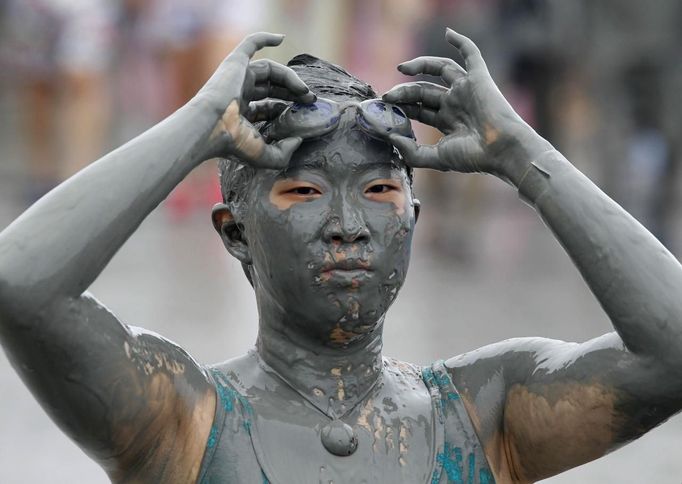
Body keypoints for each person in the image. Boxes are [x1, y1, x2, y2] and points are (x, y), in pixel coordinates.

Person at [1, 29, 681, 483]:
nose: (348, 226)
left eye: (381, 190)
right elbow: (20, 286)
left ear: (412, 220)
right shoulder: (184, 415)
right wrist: (196, 128)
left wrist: (523, 156)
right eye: (304, 190)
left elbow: (671, 353)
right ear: (235, 232)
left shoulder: (482, 413)